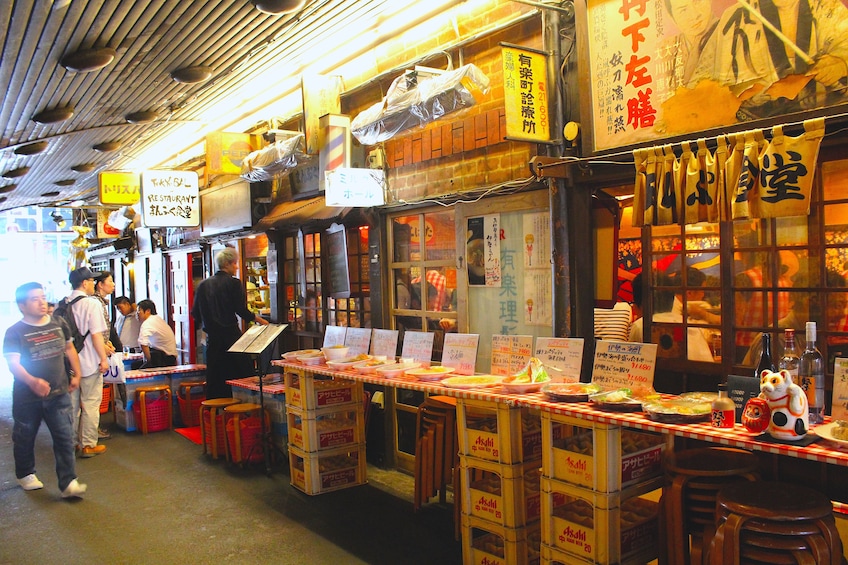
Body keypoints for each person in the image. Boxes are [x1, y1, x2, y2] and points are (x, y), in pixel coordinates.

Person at [4, 282, 87, 498]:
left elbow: (69, 349)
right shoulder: (14, 332)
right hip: (27, 397)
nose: (42, 302)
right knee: (25, 436)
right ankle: (25, 473)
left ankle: (68, 482)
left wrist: (76, 374)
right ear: (22, 305)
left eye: (42, 297)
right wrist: (32, 381)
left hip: (59, 393)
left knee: (64, 436)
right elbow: (13, 364)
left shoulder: (59, 323)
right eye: (34, 299)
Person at [699, 0, 848, 118]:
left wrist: (840, 62)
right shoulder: (735, 19)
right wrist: (746, 92)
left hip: (825, 128)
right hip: (756, 138)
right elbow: (705, 85)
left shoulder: (827, 8)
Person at [191, 248, 269, 399]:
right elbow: (240, 310)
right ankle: (244, 408)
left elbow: (195, 314)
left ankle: (217, 414)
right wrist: (259, 319)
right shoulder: (233, 283)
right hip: (232, 338)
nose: (237, 267)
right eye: (235, 264)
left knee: (216, 379)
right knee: (242, 376)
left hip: (213, 341)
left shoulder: (203, 285)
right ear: (227, 264)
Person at [65, 267, 109, 458]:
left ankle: (71, 443)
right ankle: (88, 444)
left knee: (71, 407)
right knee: (90, 403)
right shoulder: (92, 304)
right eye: (92, 281)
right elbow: (97, 335)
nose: (93, 284)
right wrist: (103, 359)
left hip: (69, 364)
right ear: (84, 283)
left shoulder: (63, 303)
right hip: (89, 361)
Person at [656, 0, 720, 96]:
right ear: (672, 17)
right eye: (683, 10)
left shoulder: (730, 31)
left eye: (698, 2)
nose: (694, 15)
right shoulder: (666, 50)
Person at [93, 271, 118, 440]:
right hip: (94, 355)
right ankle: (90, 435)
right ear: (100, 284)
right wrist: (103, 347)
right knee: (92, 399)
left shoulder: (101, 302)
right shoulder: (94, 303)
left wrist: (106, 342)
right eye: (110, 281)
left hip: (100, 350)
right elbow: (92, 331)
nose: (114, 284)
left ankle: (92, 431)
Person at [136, 299, 177, 368]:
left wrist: (148, 361)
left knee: (137, 368)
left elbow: (143, 343)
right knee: (136, 364)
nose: (137, 313)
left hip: (164, 358)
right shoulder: (157, 319)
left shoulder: (148, 323)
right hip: (169, 357)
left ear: (148, 311)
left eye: (139, 310)